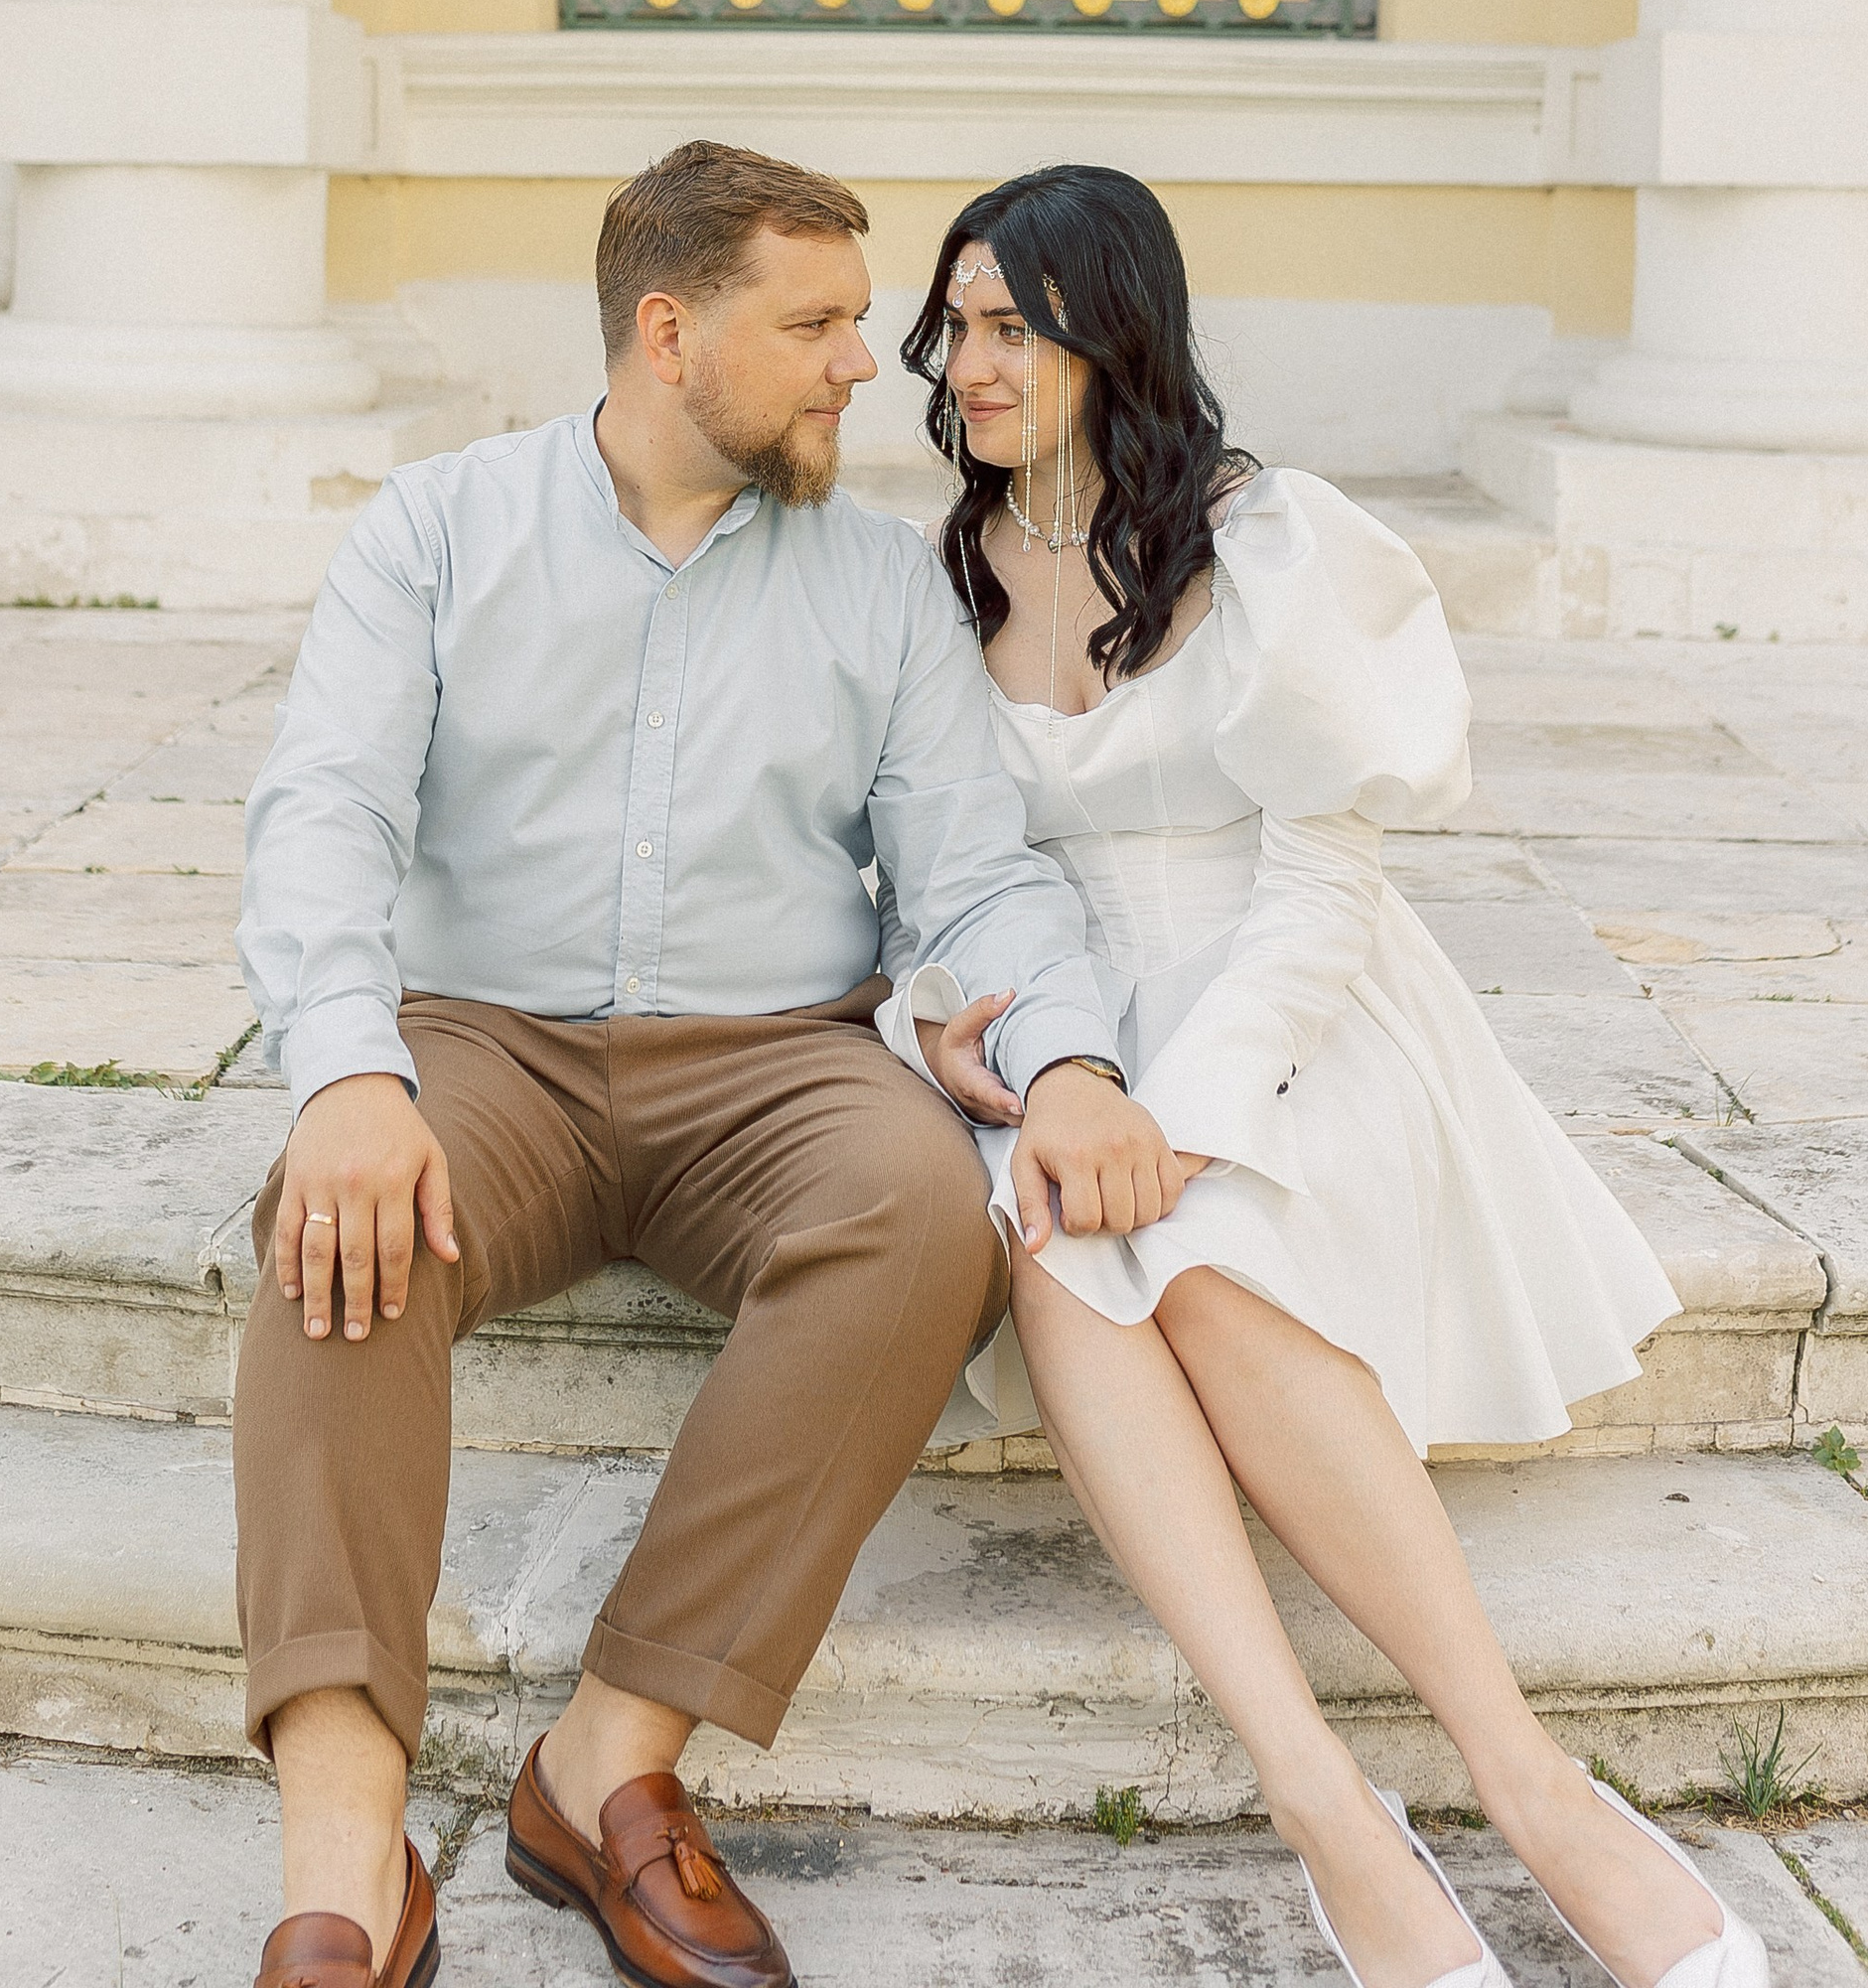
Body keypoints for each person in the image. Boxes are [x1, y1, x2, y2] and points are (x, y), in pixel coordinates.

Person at [233, 138, 1187, 1988]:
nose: (867, 365)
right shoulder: (435, 531)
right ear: (668, 336)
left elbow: (975, 875)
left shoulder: (883, 590)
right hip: (483, 1048)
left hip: (771, 1066)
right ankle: (343, 1850)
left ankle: (610, 1757)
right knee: (333, 1223)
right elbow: (322, 811)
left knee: (923, 1212)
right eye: (816, 322)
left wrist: (1067, 1063)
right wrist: (346, 1072)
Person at [885, 164, 1768, 1988]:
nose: (962, 363)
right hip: (1064, 1021)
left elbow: (1324, 879)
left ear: (1105, 332)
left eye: (1004, 327)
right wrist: (949, 1028)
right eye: (952, 324)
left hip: (1292, 1004)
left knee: (1188, 1256)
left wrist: (1187, 1118)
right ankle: (1326, 1811)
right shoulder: (933, 579)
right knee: (1054, 1231)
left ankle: (1530, 1787)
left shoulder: (1267, 542)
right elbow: (919, 879)